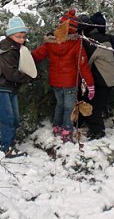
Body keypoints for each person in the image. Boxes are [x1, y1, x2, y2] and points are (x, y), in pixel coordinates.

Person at [32, 9, 95, 143]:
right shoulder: (76, 43)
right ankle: (66, 130)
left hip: (55, 81)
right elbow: (82, 65)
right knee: (69, 107)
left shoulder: (51, 42)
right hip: (70, 82)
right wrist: (90, 84)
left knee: (60, 104)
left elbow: (36, 55)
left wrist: (22, 56)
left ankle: (56, 127)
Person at [0, 16, 37, 158]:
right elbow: (11, 73)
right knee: (8, 118)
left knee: (15, 118)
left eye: (23, 36)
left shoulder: (17, 48)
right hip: (0, 88)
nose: (22, 39)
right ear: (10, 35)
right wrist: (28, 78)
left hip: (10, 88)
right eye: (18, 36)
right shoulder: (7, 49)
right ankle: (6, 148)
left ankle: (9, 142)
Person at [77, 12, 114, 139]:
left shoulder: (94, 42)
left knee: (94, 106)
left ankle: (97, 131)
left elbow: (85, 61)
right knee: (91, 101)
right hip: (107, 78)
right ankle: (84, 121)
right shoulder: (103, 38)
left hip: (103, 80)